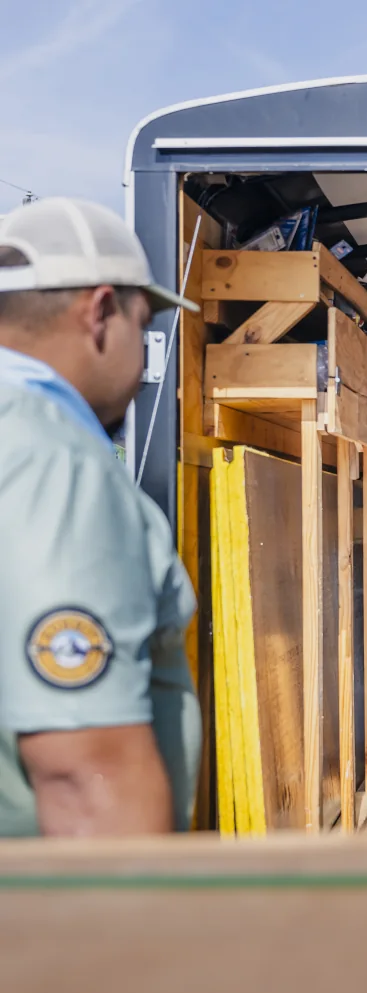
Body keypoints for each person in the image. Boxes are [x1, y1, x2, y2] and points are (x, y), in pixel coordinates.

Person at [0, 197, 201, 837]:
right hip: (46, 896)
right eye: (143, 327)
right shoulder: (55, 464)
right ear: (100, 312)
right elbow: (86, 779)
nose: (142, 363)